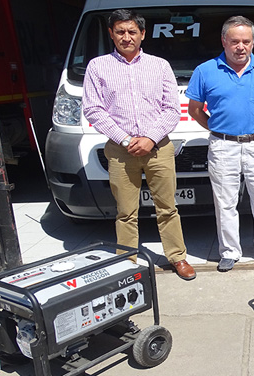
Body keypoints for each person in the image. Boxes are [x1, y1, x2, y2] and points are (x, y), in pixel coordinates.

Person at [82, 9, 196, 281]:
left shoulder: (160, 65)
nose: (126, 37)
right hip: (121, 152)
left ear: (143, 34)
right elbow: (93, 110)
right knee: (125, 212)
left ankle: (177, 257)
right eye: (120, 32)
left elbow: (172, 109)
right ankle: (127, 261)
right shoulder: (97, 67)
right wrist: (124, 138)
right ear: (111, 34)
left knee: (167, 207)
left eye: (132, 32)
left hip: (158, 148)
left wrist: (150, 138)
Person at [186, 16, 254, 272]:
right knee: (225, 203)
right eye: (235, 41)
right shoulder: (205, 71)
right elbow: (194, 109)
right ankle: (229, 251)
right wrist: (218, 130)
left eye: (246, 41)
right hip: (222, 146)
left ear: (253, 42)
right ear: (224, 41)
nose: (241, 46)